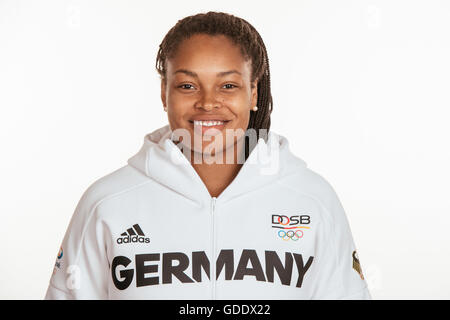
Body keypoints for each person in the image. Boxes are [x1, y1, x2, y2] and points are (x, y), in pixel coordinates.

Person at [44, 11, 371, 300]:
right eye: (187, 86)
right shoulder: (107, 203)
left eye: (228, 85)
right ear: (164, 92)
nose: (207, 103)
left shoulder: (311, 200)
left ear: (253, 92)